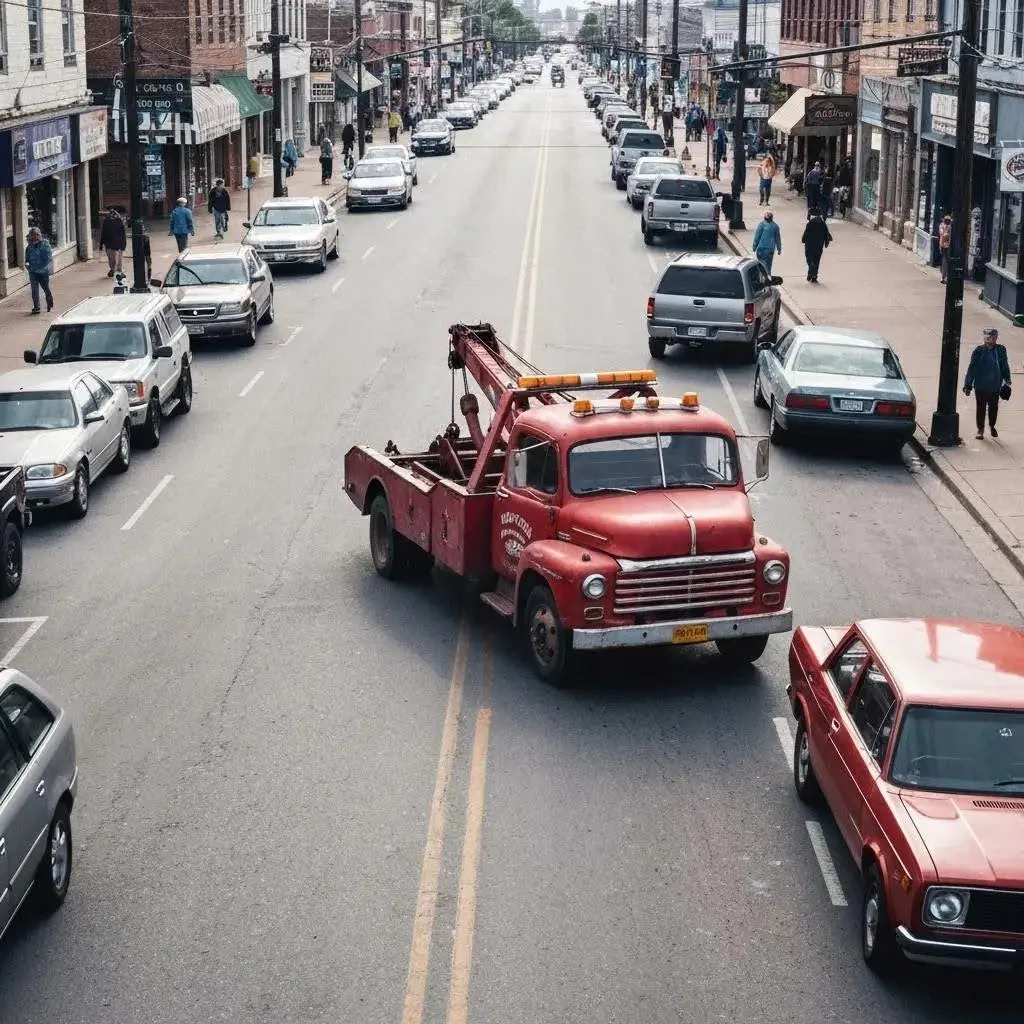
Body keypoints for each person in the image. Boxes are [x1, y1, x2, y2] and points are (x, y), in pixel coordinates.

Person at [963, 326, 1012, 440]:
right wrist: (968, 385)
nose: (989, 339)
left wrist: (1007, 379)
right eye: (987, 337)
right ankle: (980, 429)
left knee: (993, 408)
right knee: (981, 408)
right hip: (981, 385)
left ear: (996, 338)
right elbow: (972, 368)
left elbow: (1004, 365)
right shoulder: (979, 351)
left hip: (995, 385)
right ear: (984, 338)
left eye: (992, 337)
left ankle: (992, 425)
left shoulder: (1001, 350)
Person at [25, 227, 54, 315]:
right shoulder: (29, 247)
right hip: (33, 272)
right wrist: (28, 267)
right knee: (34, 290)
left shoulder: (45, 245)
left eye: (34, 237)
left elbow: (49, 259)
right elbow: (27, 260)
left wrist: (43, 269)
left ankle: (49, 304)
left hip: (43, 272)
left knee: (46, 289)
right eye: (31, 238)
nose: (32, 240)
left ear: (38, 236)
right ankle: (36, 307)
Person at [801, 211, 832, 283]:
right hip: (819, 245)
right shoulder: (823, 224)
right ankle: (814, 276)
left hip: (809, 245)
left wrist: (803, 239)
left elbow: (806, 233)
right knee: (816, 261)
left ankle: (811, 271)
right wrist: (826, 243)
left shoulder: (810, 223)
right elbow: (827, 234)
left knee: (809, 259)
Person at [752, 209, 782, 275]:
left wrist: (754, 246)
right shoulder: (775, 226)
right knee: (768, 266)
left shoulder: (761, 225)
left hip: (761, 249)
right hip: (770, 249)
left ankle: (761, 276)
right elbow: (778, 239)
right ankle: (767, 277)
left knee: (760, 264)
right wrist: (779, 249)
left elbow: (757, 236)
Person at [100, 207, 126, 278]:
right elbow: (123, 233)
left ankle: (114, 270)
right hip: (117, 243)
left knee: (112, 258)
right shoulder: (119, 221)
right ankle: (118, 271)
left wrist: (101, 244)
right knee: (118, 258)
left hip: (110, 243)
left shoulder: (107, 221)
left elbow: (103, 233)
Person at [938, 213, 952, 283]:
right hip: (944, 245)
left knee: (946, 261)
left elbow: (944, 235)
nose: (947, 222)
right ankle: (944, 277)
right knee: (944, 261)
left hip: (947, 245)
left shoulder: (949, 227)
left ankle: (944, 277)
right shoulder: (943, 226)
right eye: (946, 220)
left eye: (948, 221)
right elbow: (943, 234)